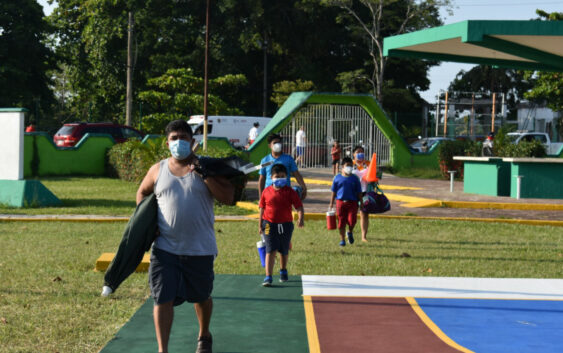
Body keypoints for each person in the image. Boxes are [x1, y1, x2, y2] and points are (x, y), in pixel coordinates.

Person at [136, 119, 235, 353]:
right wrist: (146, 223)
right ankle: (163, 349)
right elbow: (142, 191)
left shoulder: (208, 167)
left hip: (199, 248)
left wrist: (204, 174)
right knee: (162, 298)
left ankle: (204, 334)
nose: (178, 142)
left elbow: (228, 198)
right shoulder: (157, 169)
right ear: (167, 142)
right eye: (174, 138)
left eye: (183, 137)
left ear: (192, 142)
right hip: (164, 249)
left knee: (201, 296)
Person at [259, 164, 304, 286]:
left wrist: (301, 218)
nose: (280, 178)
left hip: (286, 225)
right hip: (268, 225)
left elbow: (299, 206)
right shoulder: (266, 191)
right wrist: (260, 225)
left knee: (284, 250)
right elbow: (262, 208)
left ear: (287, 177)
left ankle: (283, 270)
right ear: (271, 177)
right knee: (270, 249)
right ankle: (268, 276)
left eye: (282, 176)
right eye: (277, 176)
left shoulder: (290, 192)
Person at [259, 133, 307, 201]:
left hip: (285, 195)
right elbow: (262, 179)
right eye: (275, 143)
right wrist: (261, 197)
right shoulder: (265, 160)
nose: (277, 144)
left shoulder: (289, 159)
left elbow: (297, 174)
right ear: (270, 146)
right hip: (269, 195)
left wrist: (304, 187)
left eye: (279, 142)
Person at [329, 157, 362, 247]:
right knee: (341, 221)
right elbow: (333, 191)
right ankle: (342, 239)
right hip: (340, 202)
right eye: (347, 165)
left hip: (352, 203)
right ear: (342, 167)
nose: (350, 167)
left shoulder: (355, 178)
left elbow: (359, 191)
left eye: (351, 166)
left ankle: (350, 232)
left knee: (352, 221)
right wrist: (331, 203)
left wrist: (361, 202)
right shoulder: (337, 178)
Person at [352, 145, 371, 242]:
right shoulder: (350, 164)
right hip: (352, 192)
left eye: (361, 152)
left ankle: (364, 236)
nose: (360, 154)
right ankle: (349, 231)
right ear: (353, 154)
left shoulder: (368, 164)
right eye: (357, 152)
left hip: (365, 191)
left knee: (364, 214)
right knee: (351, 213)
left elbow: (376, 175)